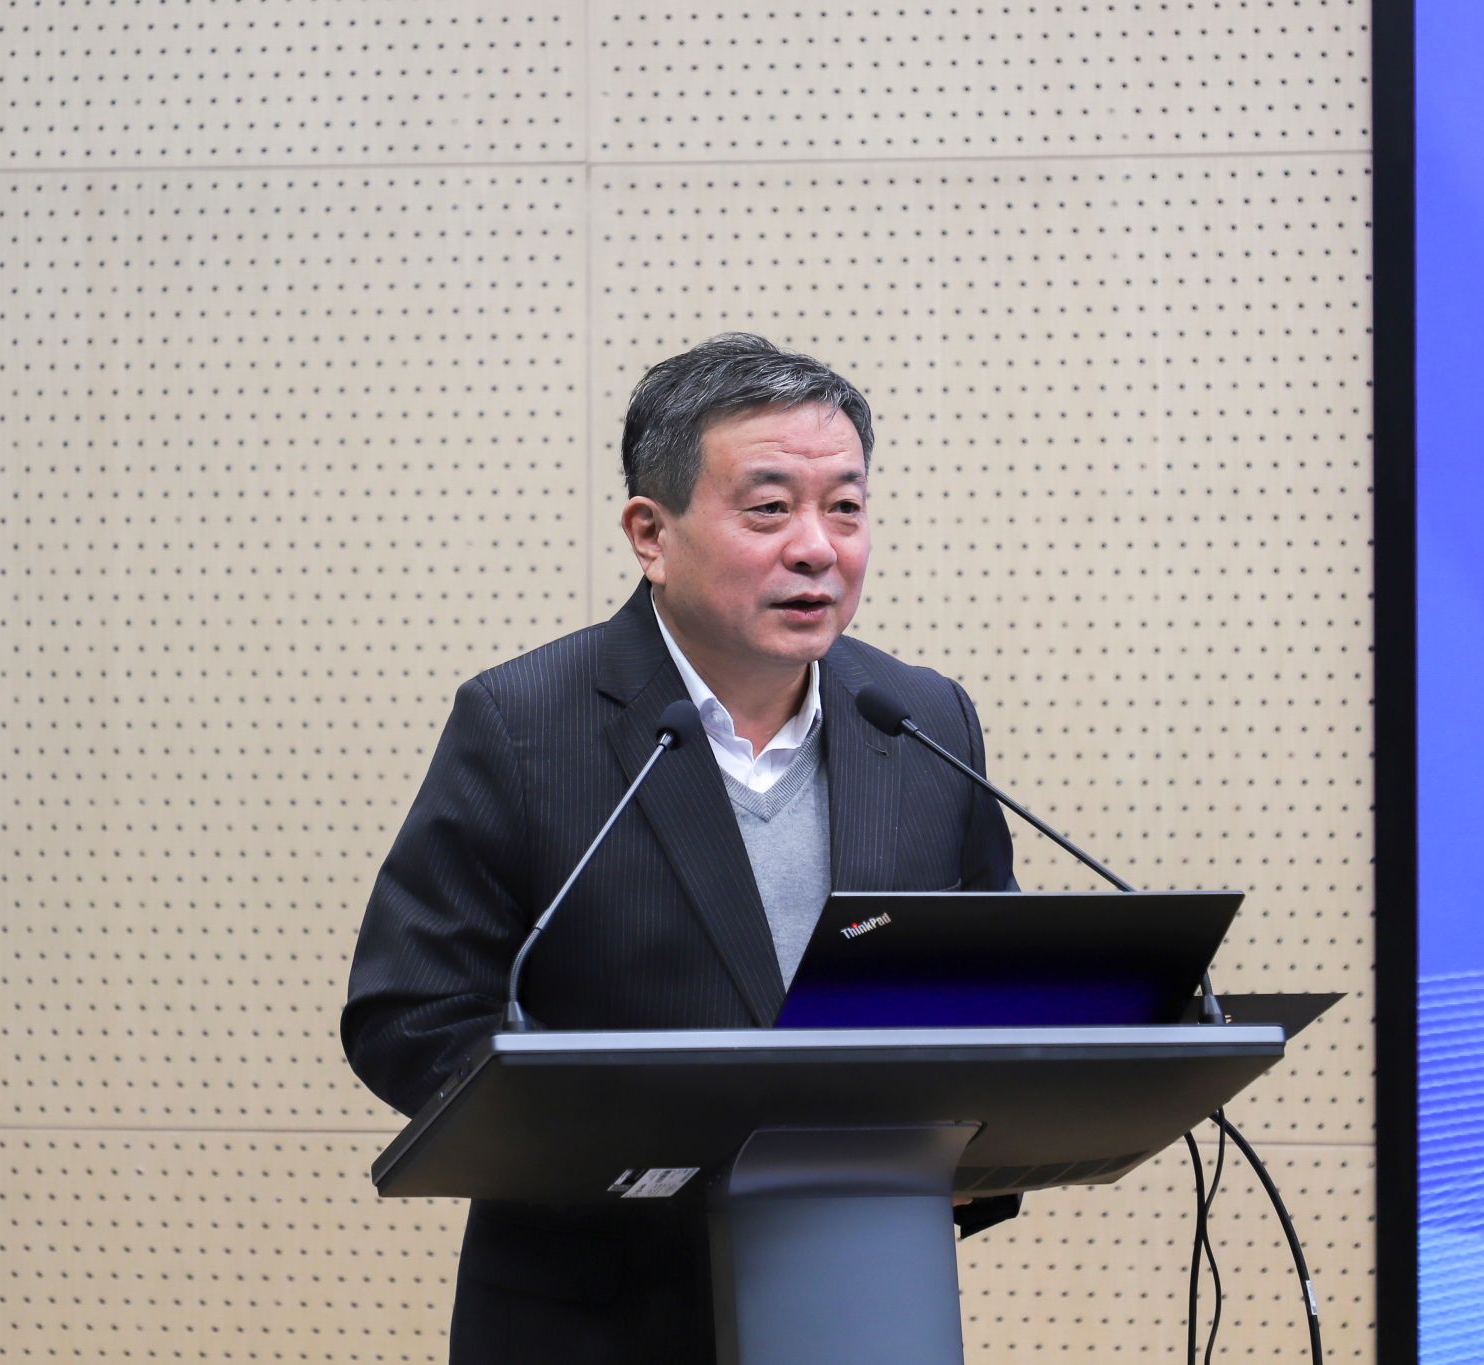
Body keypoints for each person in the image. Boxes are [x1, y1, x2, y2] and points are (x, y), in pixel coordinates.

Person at [342, 333, 1018, 1364]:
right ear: (649, 533)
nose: (817, 547)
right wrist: (623, 1144)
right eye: (769, 508)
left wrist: (975, 1142)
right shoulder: (525, 725)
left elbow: (995, 1001)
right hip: (596, 1308)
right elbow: (410, 1012)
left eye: (844, 506)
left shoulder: (921, 718)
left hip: (867, 1294)